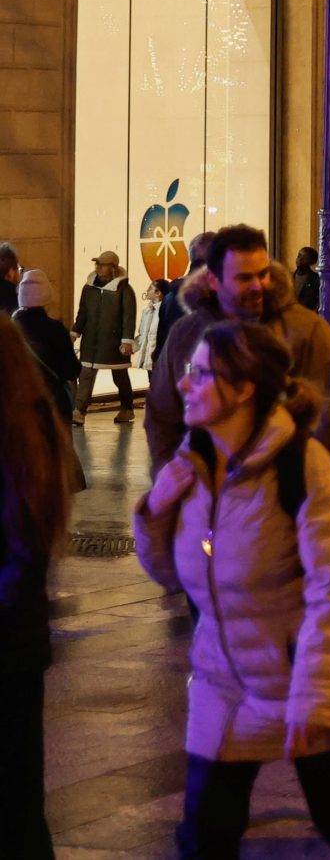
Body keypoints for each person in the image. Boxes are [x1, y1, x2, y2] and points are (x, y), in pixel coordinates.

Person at [135, 319, 330, 860]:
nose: (186, 384)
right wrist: (154, 512)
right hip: (223, 677)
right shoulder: (195, 463)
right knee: (204, 831)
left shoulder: (302, 465)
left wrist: (314, 696)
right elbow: (171, 575)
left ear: (245, 388)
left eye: (201, 374)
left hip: (306, 673)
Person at [148, 225, 330, 470]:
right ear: (214, 280)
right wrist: (174, 477)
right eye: (244, 278)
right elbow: (162, 416)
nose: (258, 286)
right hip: (202, 490)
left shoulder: (306, 331)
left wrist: (297, 483)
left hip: (282, 493)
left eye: (262, 274)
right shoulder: (187, 333)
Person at [0, 320, 71, 859]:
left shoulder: (16, 431)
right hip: (21, 639)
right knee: (21, 790)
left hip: (9, 636)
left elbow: (20, 549)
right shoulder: (39, 419)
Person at [72, 249, 140, 424]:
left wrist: (126, 340)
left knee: (120, 375)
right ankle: (79, 411)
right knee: (86, 375)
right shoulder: (89, 288)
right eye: (97, 264)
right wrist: (75, 331)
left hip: (113, 343)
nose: (99, 268)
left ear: (113, 268)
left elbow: (128, 316)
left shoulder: (124, 290)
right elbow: (83, 313)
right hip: (90, 343)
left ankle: (127, 408)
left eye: (102, 265)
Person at [12, 268, 80, 428]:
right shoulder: (56, 329)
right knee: (59, 450)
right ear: (46, 297)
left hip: (19, 405)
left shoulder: (10, 331)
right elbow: (71, 369)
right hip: (54, 402)